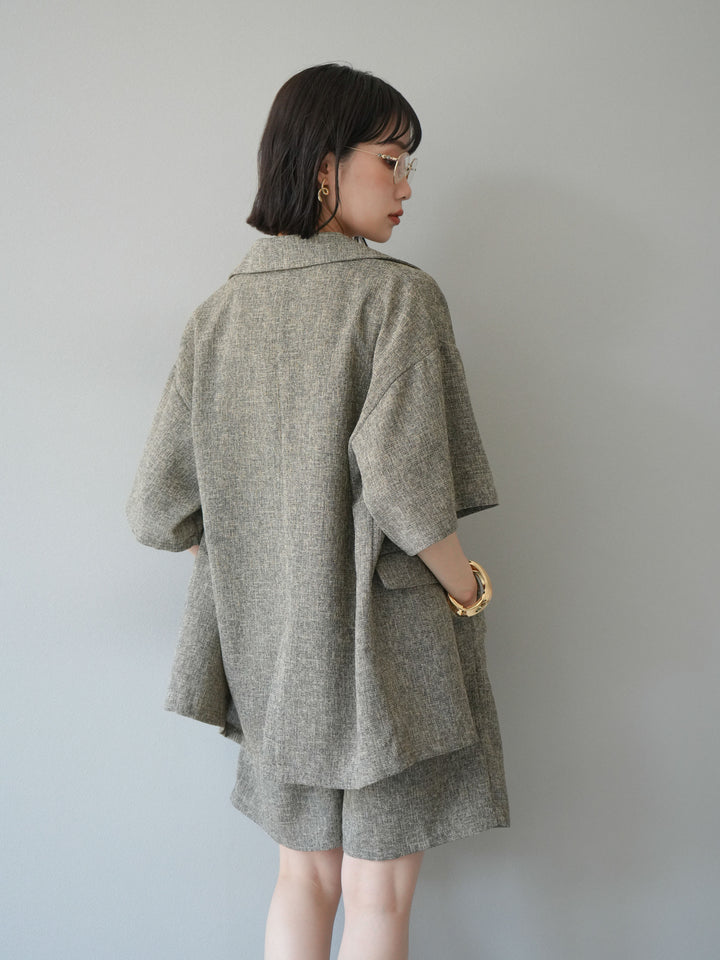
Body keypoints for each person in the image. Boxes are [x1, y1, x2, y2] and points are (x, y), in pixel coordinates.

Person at [126, 62, 509, 960]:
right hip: (388, 650)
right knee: (379, 897)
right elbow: (407, 491)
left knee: (302, 880)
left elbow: (156, 509)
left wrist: (256, 551)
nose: (407, 187)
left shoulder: (216, 316)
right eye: (392, 161)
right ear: (325, 165)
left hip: (278, 654)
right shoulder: (396, 295)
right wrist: (467, 588)